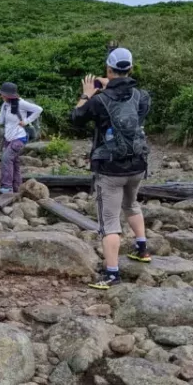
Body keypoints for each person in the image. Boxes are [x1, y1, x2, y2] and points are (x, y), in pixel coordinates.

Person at [70, 47, 151, 290]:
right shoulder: (142, 96)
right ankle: (142, 249)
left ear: (108, 69)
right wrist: (112, 85)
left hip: (110, 168)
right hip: (137, 164)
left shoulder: (99, 100)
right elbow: (139, 115)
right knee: (132, 204)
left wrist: (86, 94)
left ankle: (112, 274)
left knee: (109, 222)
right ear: (131, 69)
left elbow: (75, 118)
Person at [0, 83, 43, 194]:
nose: (1, 96)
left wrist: (26, 121)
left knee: (6, 158)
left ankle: (7, 187)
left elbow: (39, 109)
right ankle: (17, 187)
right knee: (14, 162)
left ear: (9, 95)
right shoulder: (5, 105)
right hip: (8, 139)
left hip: (19, 138)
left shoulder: (21, 103)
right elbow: (0, 120)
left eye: (3, 94)